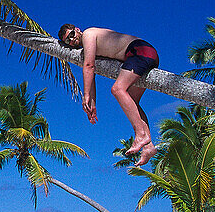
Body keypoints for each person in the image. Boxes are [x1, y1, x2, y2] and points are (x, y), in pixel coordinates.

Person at [58, 24, 160, 167]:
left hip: (139, 51)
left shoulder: (88, 34)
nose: (72, 41)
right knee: (132, 102)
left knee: (118, 89)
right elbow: (91, 74)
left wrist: (85, 95)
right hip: (145, 53)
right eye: (67, 41)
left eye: (71, 35)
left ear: (77, 29)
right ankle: (149, 146)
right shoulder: (88, 45)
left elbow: (89, 66)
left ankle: (141, 135)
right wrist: (92, 103)